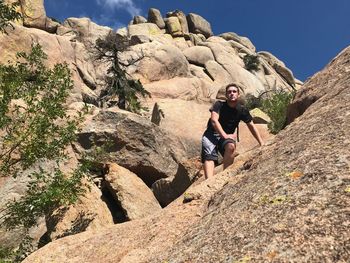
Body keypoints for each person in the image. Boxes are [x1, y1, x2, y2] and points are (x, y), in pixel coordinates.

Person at [201, 83, 264, 179]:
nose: (232, 93)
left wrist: (261, 142)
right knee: (209, 157)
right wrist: (225, 136)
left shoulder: (242, 110)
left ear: (238, 95)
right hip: (211, 134)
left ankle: (224, 175)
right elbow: (214, 120)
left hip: (226, 135)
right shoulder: (219, 105)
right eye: (229, 92)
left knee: (231, 146)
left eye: (234, 91)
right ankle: (208, 182)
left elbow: (251, 125)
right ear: (226, 95)